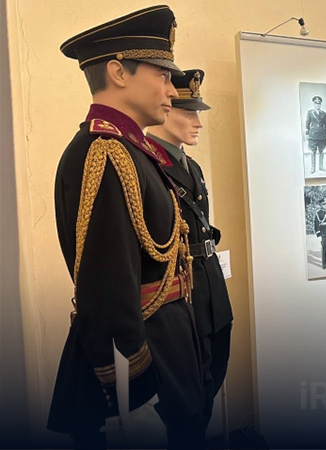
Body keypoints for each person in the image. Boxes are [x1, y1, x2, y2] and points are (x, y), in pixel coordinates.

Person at [48, 6, 206, 449]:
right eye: (162, 74)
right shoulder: (104, 152)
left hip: (168, 346)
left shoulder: (133, 152)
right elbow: (106, 286)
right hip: (142, 363)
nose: (171, 90)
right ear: (118, 72)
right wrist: (134, 397)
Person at [146, 69, 234, 430]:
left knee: (213, 378)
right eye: (188, 113)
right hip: (181, 297)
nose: (198, 122)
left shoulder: (190, 165)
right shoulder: (148, 165)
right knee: (187, 406)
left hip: (210, 291)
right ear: (166, 111)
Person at [306, 96, 326, 173]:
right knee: (313, 151)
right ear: (314, 104)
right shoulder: (310, 113)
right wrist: (307, 134)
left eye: (319, 103)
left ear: (320, 104)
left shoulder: (323, 113)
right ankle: (313, 167)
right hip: (313, 135)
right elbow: (307, 124)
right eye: (316, 103)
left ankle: (321, 166)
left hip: (322, 135)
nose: (318, 105)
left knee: (321, 150)